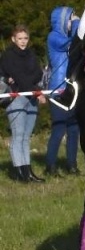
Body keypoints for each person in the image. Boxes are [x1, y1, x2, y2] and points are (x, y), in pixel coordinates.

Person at [2, 24, 45, 183]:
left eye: (25, 38)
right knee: (18, 135)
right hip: (16, 98)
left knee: (26, 137)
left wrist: (32, 87)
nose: (23, 41)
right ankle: (19, 171)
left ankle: (28, 171)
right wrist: (34, 88)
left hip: (31, 97)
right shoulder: (8, 55)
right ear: (13, 39)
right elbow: (18, 75)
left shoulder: (31, 54)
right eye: (19, 38)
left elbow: (38, 73)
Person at [45, 6, 80, 175]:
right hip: (58, 89)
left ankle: (71, 165)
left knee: (74, 129)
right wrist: (77, 23)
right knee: (59, 129)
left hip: (71, 89)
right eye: (70, 18)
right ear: (62, 20)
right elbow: (71, 43)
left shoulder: (63, 36)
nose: (72, 21)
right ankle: (50, 166)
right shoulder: (54, 37)